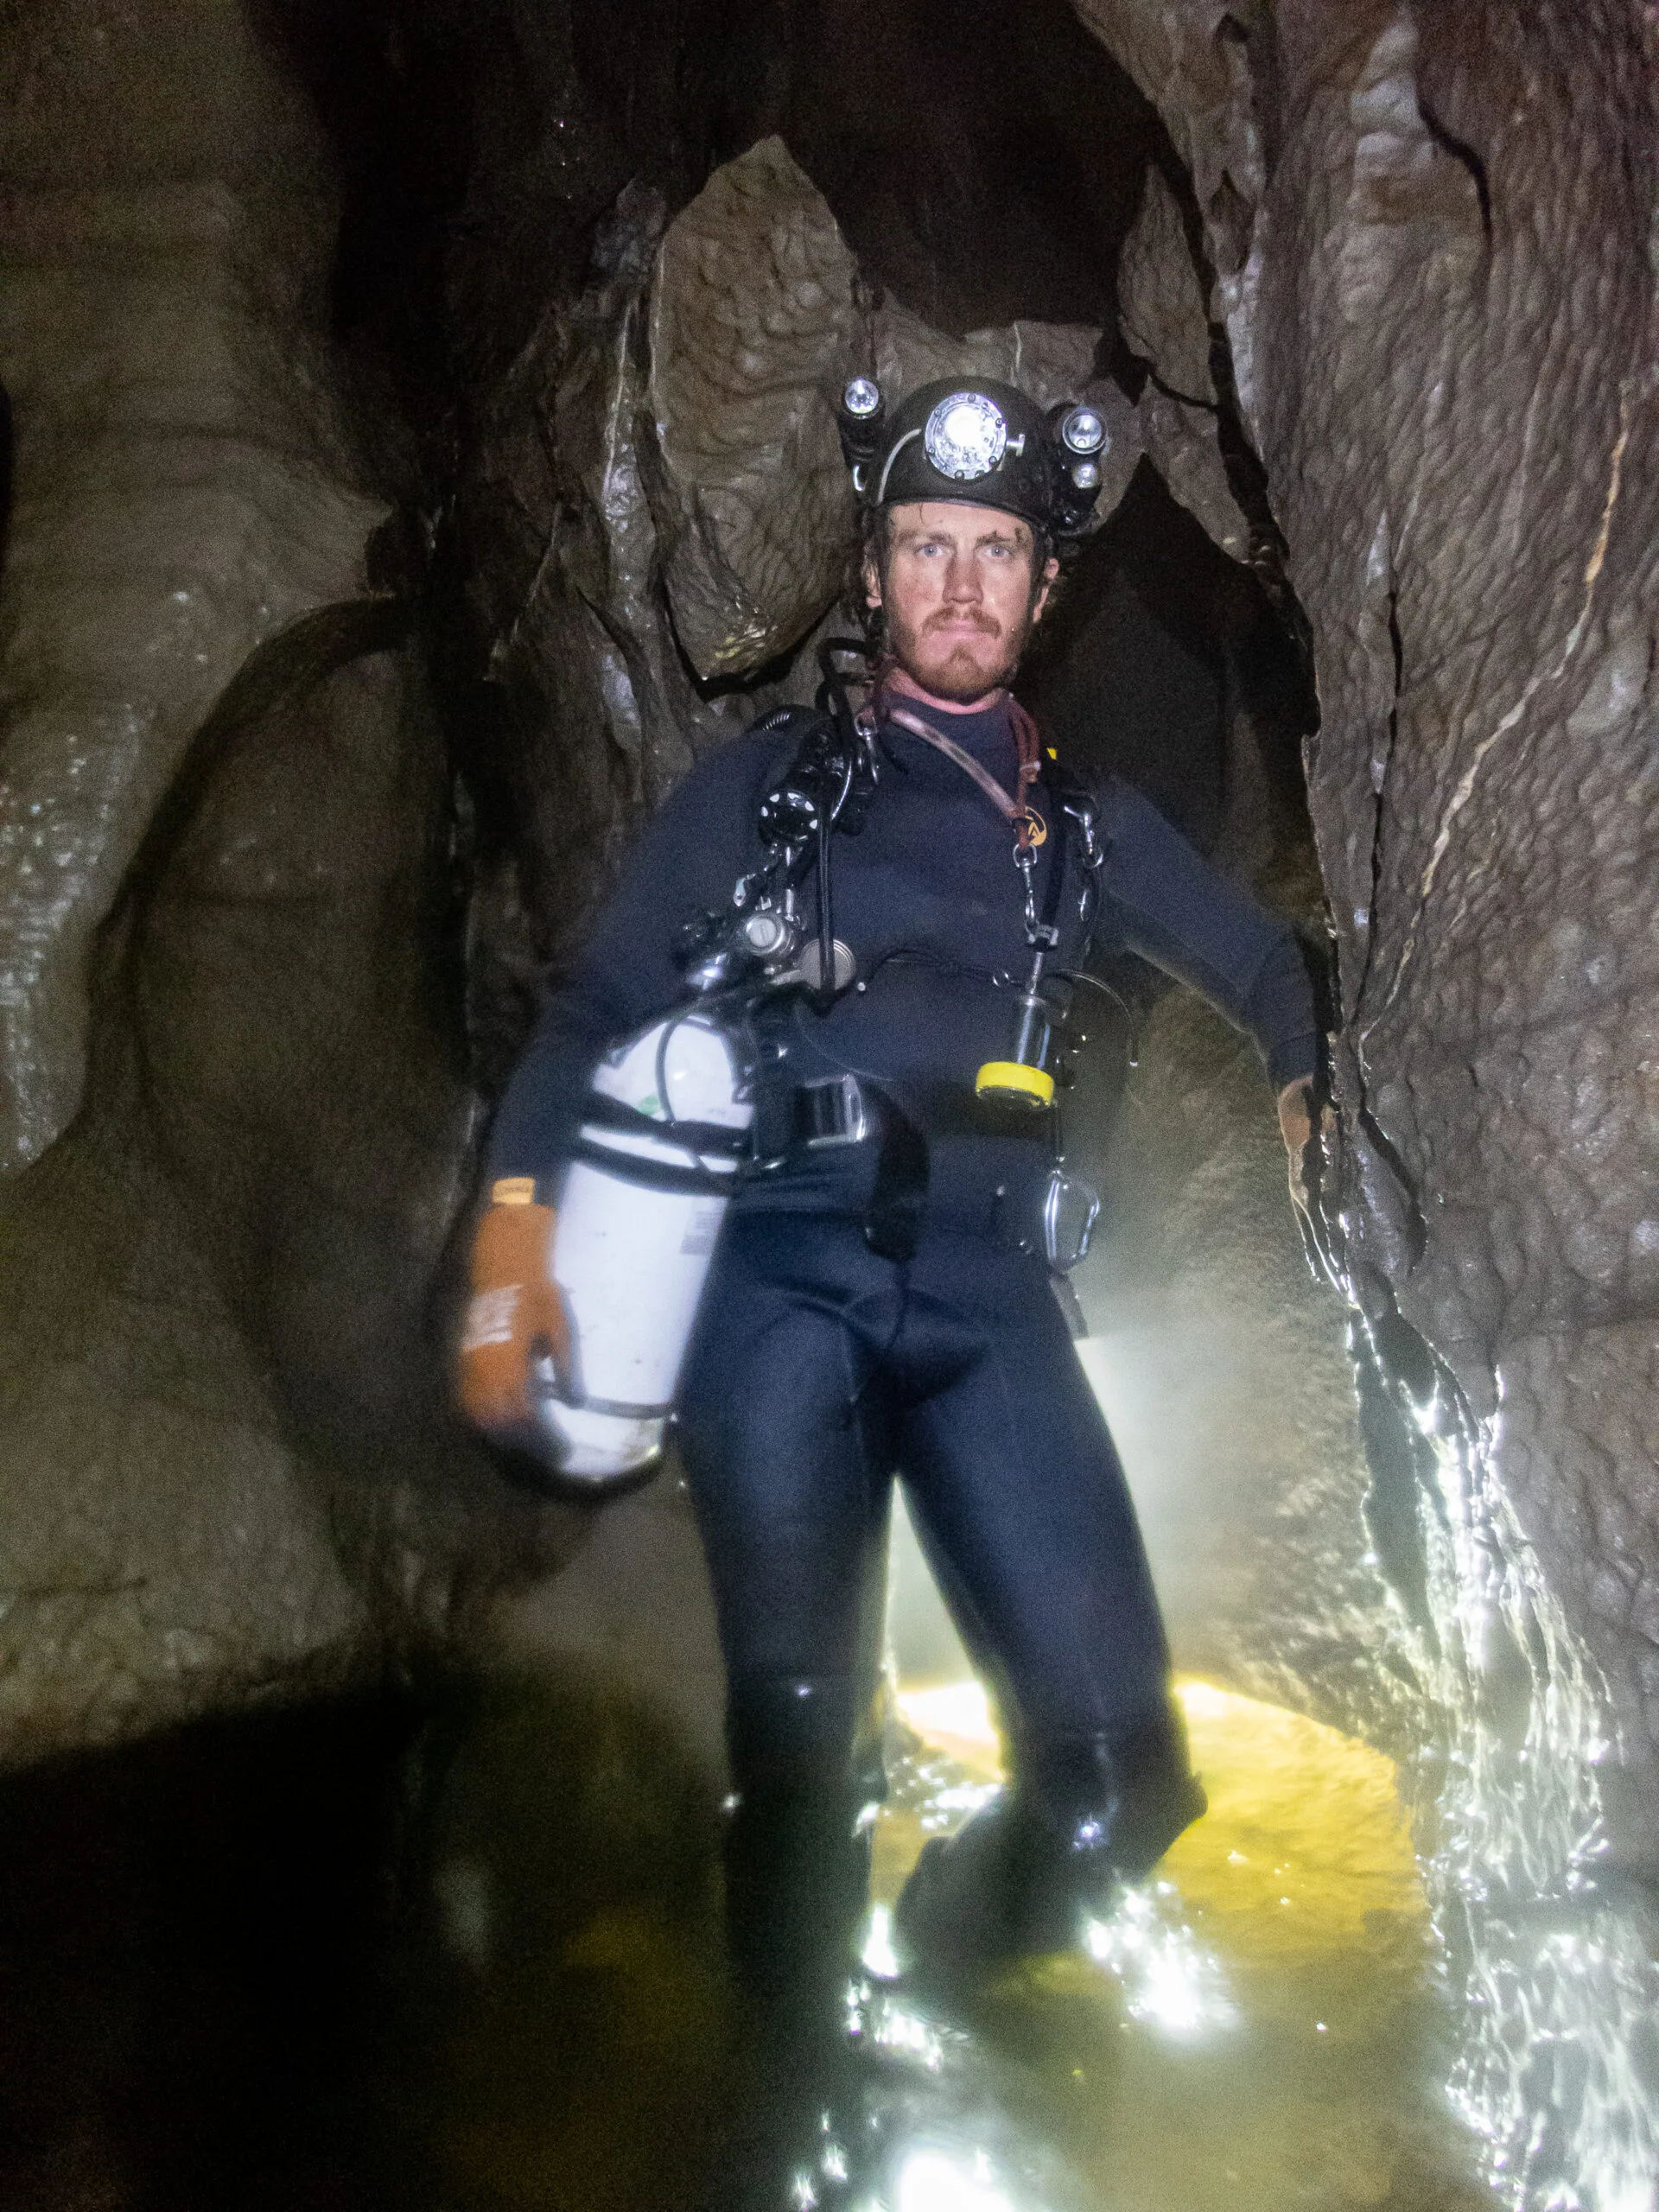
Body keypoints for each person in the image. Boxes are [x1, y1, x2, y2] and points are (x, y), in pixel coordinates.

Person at [456, 377, 1321, 2023]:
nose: (961, 583)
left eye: (997, 550)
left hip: (991, 1301)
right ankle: (795, 2109)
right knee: (800, 1761)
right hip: (779, 1288)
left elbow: (1264, 959)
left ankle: (935, 1978)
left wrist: (1298, 1072)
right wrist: (516, 1228)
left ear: (1043, 587)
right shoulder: (766, 797)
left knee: (1122, 1775)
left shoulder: (1088, 832)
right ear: (873, 572)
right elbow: (591, 1012)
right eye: (927, 545)